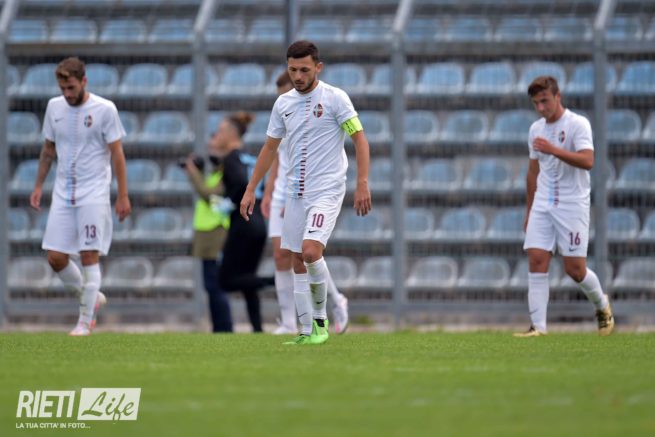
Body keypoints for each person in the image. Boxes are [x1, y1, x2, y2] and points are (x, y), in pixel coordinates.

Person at [241, 40, 372, 345]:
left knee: (311, 251)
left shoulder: (335, 98)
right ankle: (304, 331)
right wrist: (250, 189)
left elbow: (360, 139)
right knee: (297, 260)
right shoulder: (283, 104)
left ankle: (320, 323)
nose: (298, 76)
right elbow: (269, 148)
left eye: (304, 70)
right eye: (293, 70)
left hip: (326, 189)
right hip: (295, 193)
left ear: (318, 67)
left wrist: (362, 182)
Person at [29, 57, 131, 336]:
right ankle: (91, 297)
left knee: (89, 254)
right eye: (63, 88)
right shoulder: (54, 107)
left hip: (94, 193)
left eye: (71, 87)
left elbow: (117, 154)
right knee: (55, 257)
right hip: (63, 192)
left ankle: (85, 322)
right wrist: (38, 186)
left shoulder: (104, 109)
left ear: (84, 81)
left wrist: (122, 195)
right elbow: (48, 149)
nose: (67, 93)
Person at [514, 76, 614, 337]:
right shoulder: (535, 130)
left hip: (572, 205)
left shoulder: (578, 124)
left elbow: (588, 161)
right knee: (536, 259)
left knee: (575, 270)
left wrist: (554, 149)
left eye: (544, 101)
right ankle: (538, 328)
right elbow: (532, 172)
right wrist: (529, 211)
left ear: (558, 96)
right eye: (536, 103)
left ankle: (601, 305)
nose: (540, 108)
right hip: (543, 203)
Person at [261, 70, 350, 335]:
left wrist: (296, 197)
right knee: (281, 255)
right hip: (282, 192)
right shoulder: (284, 109)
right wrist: (268, 192)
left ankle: (336, 300)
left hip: (300, 191)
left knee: (306, 253)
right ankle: (289, 321)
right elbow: (277, 157)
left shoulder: (315, 116)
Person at [214, 112, 272, 333]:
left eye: (220, 131)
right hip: (259, 225)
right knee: (248, 280)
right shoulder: (249, 158)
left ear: (231, 134)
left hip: (243, 224)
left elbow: (239, 183)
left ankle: (276, 281)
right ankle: (258, 329)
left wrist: (229, 201)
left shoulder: (231, 159)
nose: (217, 135)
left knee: (226, 281)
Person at [184, 139, 232, 332]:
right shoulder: (214, 175)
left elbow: (208, 194)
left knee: (216, 285)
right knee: (210, 285)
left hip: (216, 234)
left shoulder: (225, 175)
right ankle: (218, 329)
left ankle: (225, 328)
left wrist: (194, 174)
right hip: (207, 235)